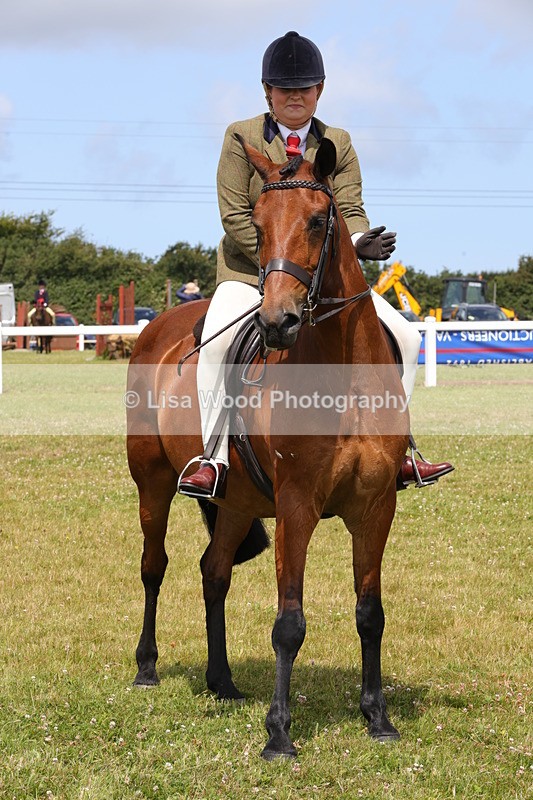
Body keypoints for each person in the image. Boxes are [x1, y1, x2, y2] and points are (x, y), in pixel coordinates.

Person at [178, 31, 453, 498]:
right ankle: (215, 457)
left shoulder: (337, 142)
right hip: (251, 275)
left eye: (304, 88)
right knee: (216, 347)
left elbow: (350, 207)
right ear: (267, 92)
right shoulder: (240, 137)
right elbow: (233, 216)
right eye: (284, 89)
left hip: (325, 281)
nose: (294, 96)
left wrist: (363, 240)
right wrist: (280, 267)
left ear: (319, 91)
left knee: (405, 337)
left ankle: (399, 449)